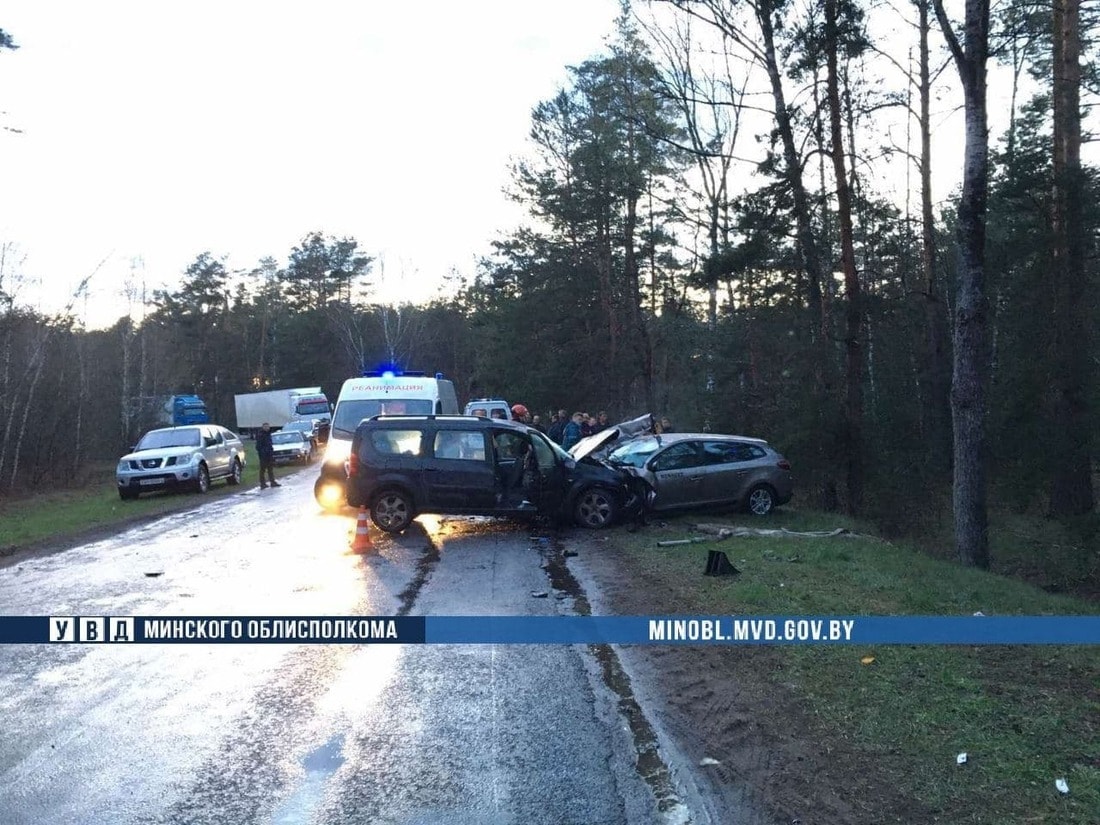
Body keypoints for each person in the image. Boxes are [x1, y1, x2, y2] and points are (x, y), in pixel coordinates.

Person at [256, 422, 279, 488]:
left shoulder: (268, 434)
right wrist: (263, 452)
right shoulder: (261, 435)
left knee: (270, 469)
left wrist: (271, 451)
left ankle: (272, 482)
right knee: (262, 469)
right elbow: (258, 446)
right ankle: (262, 484)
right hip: (263, 455)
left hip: (269, 454)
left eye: (267, 427)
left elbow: (270, 444)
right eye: (265, 427)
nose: (267, 428)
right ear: (263, 427)